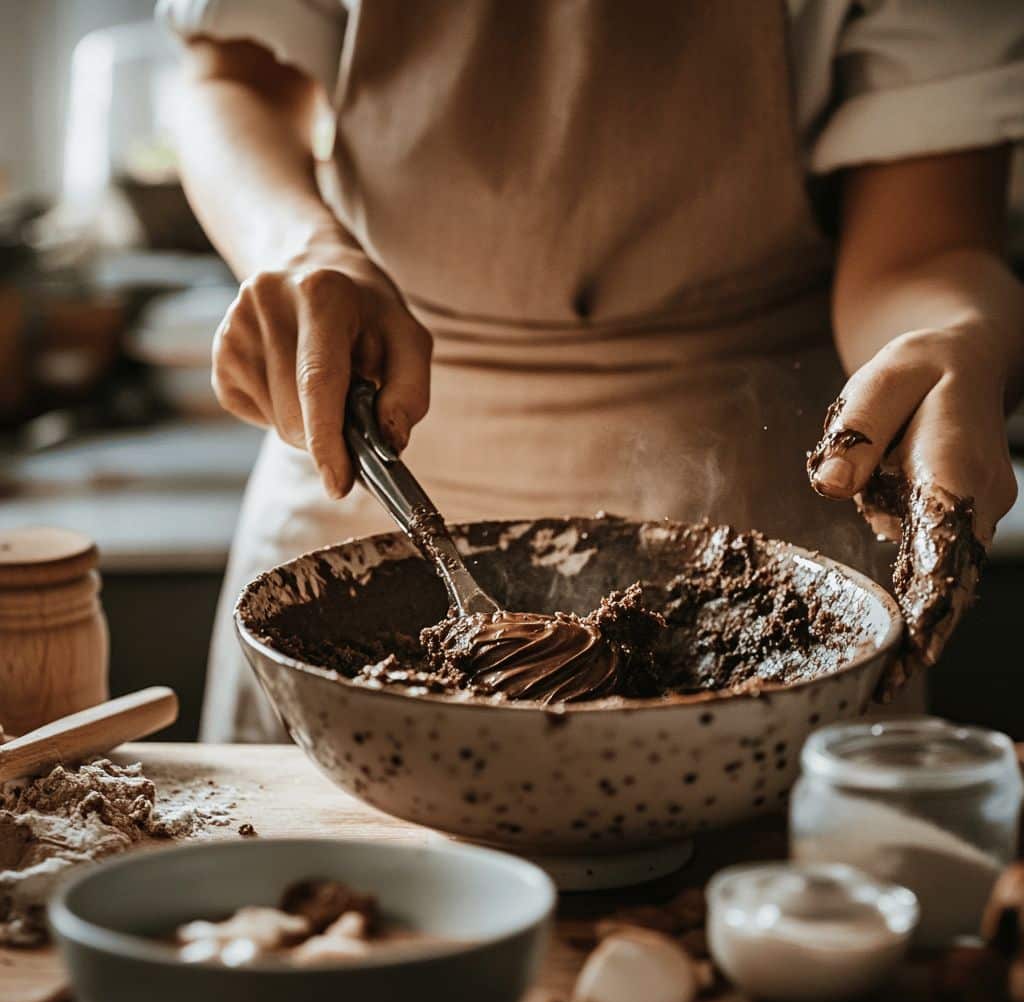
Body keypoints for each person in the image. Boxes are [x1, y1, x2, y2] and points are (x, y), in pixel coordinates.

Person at [158, 0, 1024, 742]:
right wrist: (303, 248)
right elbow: (234, 77)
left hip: (763, 526)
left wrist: (954, 338)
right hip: (364, 427)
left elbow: (926, 240)